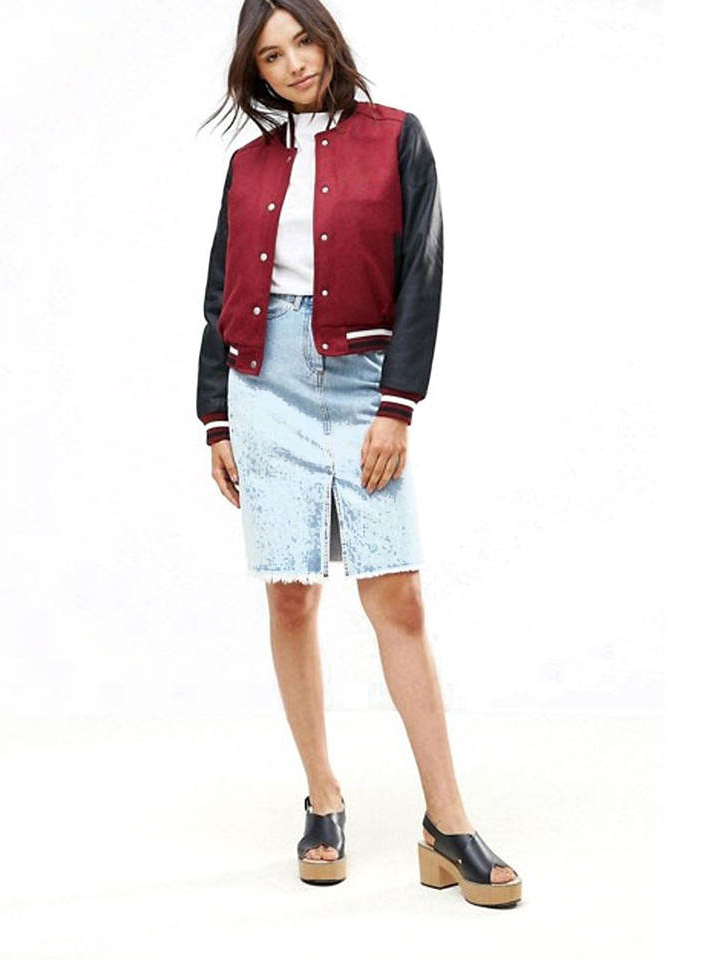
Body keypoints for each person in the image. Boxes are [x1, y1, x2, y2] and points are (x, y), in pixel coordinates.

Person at [196, 0, 521, 907]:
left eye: (302, 41)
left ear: (328, 38)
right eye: (271, 56)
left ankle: (447, 822)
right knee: (291, 594)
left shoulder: (397, 136)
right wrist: (216, 419)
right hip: (263, 384)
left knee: (396, 595)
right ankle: (323, 799)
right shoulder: (248, 165)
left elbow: (423, 272)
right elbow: (220, 292)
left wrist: (396, 406)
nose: (294, 64)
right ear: (256, 73)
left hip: (364, 379)